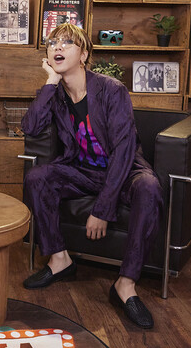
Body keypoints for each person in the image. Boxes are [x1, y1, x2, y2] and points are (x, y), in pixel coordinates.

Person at [20, 23, 161, 329]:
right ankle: (59, 260)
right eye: (52, 43)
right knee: (37, 177)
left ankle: (125, 284)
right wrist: (50, 81)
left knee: (149, 187)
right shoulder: (53, 93)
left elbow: (124, 150)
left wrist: (102, 209)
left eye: (67, 43)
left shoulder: (112, 90)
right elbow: (30, 128)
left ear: (83, 55)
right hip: (82, 171)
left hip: (123, 172)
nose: (58, 47)